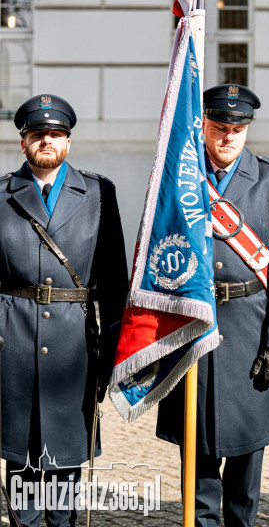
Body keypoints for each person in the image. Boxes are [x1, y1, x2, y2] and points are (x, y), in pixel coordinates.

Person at [157, 83, 269, 527]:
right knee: (198, 479)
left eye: (238, 129)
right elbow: (157, 256)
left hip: (249, 334)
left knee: (244, 483)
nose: (228, 137)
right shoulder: (178, 177)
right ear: (203, 126)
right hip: (193, 334)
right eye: (220, 127)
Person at [0, 93, 129, 527]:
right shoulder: (1, 195)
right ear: (23, 142)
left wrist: (112, 359)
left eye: (55, 134)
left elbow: (115, 282)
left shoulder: (97, 193)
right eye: (38, 134)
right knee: (22, 466)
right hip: (12, 346)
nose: (47, 141)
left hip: (75, 347)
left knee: (66, 467)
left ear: (68, 142)